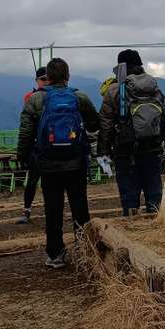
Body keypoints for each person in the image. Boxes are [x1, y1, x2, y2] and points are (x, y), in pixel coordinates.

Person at [16, 58, 99, 268]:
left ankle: (55, 254)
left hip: (48, 163)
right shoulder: (79, 97)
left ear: (48, 77)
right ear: (68, 76)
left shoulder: (35, 99)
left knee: (53, 209)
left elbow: (25, 133)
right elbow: (94, 124)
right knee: (80, 207)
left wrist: (23, 157)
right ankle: (85, 250)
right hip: (76, 162)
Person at [98, 49, 165, 216]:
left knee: (130, 199)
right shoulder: (154, 87)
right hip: (153, 150)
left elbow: (106, 125)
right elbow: (162, 118)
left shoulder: (114, 90)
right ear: (140, 65)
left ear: (121, 67)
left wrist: (104, 152)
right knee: (155, 197)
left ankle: (132, 224)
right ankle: (156, 225)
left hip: (125, 153)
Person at [16, 67, 48, 224]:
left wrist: (21, 153)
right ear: (37, 80)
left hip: (37, 146)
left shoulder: (30, 97)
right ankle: (28, 210)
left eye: (47, 78)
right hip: (43, 146)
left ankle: (28, 211)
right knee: (35, 180)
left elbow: (26, 129)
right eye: (43, 79)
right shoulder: (56, 96)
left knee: (36, 180)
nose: (45, 81)